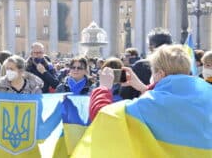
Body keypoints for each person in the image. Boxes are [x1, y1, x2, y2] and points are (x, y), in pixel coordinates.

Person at [78, 45, 212, 157]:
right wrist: (143, 88)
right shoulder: (207, 94)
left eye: (153, 72)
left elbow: (103, 117)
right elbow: (170, 100)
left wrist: (103, 88)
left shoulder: (149, 104)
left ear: (160, 74)